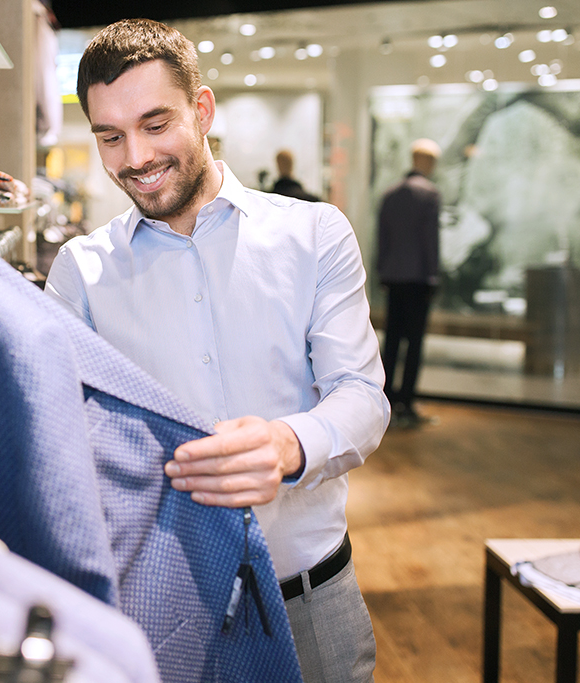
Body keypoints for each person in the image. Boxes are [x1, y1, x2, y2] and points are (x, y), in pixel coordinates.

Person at [44, 18, 389, 683]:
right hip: (157, 609)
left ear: (201, 111)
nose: (135, 157)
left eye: (155, 124)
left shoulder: (315, 233)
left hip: (310, 603)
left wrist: (287, 444)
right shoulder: (79, 272)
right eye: (110, 136)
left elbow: (363, 398)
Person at [376, 138, 442, 428]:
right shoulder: (430, 195)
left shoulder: (390, 194)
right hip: (418, 278)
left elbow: (382, 239)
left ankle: (386, 398)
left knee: (391, 341)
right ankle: (407, 401)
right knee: (414, 343)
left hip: (393, 275)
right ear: (427, 162)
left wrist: (382, 270)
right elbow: (430, 241)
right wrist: (433, 274)